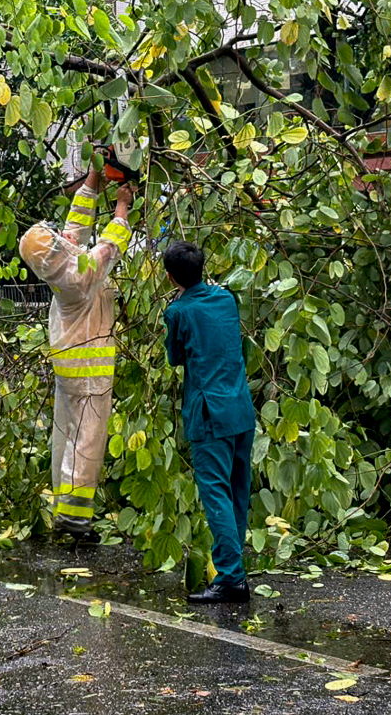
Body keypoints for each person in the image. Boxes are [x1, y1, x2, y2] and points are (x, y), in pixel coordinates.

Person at [20, 168, 134, 541]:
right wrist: (121, 209)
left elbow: (76, 228)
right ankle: (75, 519)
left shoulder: (59, 265)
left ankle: (64, 511)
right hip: (89, 371)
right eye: (54, 238)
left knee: (66, 437)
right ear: (52, 249)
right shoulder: (76, 275)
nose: (60, 236)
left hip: (71, 367)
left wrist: (91, 183)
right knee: (86, 443)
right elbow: (109, 247)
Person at [162, 241, 256, 604]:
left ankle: (231, 577)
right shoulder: (227, 299)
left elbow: (175, 356)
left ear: (170, 277)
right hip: (240, 409)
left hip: (209, 413)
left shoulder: (178, 312)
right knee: (237, 492)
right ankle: (234, 571)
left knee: (216, 493)